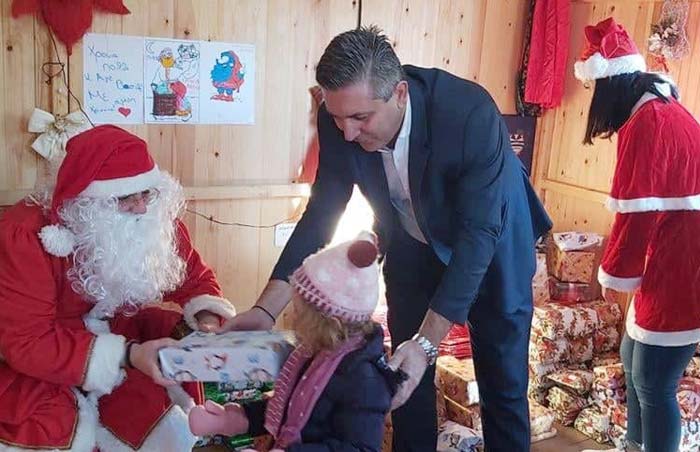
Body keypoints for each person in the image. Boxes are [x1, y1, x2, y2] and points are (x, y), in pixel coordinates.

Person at [219, 26, 552, 451]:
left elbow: (478, 235)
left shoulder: (469, 113)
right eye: (338, 119)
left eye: (361, 119)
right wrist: (266, 309)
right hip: (411, 244)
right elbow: (322, 212)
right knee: (402, 378)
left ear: (399, 94)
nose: (347, 133)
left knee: (502, 385)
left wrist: (428, 341)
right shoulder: (339, 117)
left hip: (494, 244)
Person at [0, 125, 237, 452]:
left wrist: (208, 320)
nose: (141, 207)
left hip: (121, 337)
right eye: (125, 198)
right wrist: (128, 354)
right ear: (86, 203)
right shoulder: (25, 235)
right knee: (49, 425)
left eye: (146, 193)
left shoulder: (148, 219)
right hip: (46, 358)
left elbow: (194, 278)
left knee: (157, 396)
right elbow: (27, 341)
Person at [575, 18, 700, 452]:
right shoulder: (658, 108)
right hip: (671, 252)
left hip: (682, 263)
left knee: (653, 382)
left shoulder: (649, 121)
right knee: (632, 361)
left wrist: (613, 274)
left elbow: (635, 214)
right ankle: (633, 445)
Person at [189, 231, 399, 451]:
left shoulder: (365, 381)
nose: (293, 319)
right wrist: (236, 418)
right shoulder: (312, 353)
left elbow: (359, 448)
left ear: (328, 322)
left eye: (299, 313)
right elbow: (286, 406)